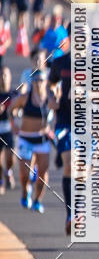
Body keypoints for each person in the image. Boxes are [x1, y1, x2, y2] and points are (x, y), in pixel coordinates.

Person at [10, 69, 53, 212]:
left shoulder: (50, 98)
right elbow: (11, 109)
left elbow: (59, 110)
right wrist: (14, 124)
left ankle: (37, 200)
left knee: (43, 174)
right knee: (24, 173)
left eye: (41, 80)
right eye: (35, 81)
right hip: (25, 138)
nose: (38, 83)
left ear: (45, 82)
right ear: (32, 82)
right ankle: (25, 191)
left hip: (42, 140)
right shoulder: (24, 98)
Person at [49, 41, 73, 233]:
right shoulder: (60, 62)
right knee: (69, 164)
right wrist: (52, 97)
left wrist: (87, 94)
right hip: (64, 119)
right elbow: (51, 84)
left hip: (88, 121)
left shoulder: (95, 63)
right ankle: (71, 214)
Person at [0, 66, 16, 193]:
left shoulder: (14, 94)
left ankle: (8, 171)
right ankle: (1, 181)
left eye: (5, 75)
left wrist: (15, 111)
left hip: (9, 129)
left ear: (10, 77)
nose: (3, 78)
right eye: (1, 75)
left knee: (11, 158)